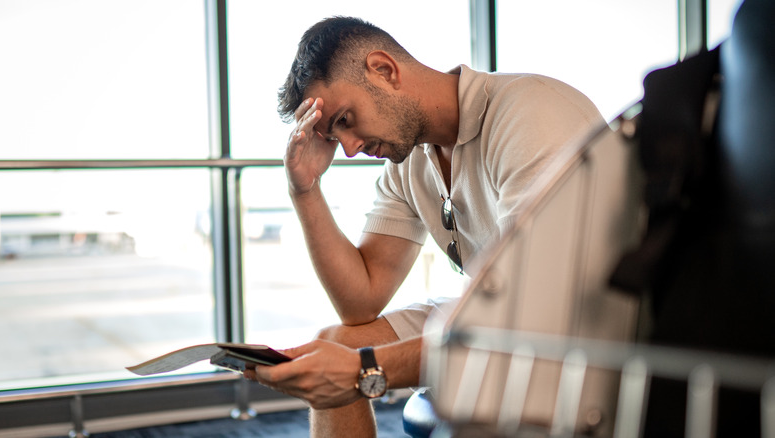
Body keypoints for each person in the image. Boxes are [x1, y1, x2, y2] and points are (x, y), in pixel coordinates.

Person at [243, 16, 604, 437]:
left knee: (351, 358)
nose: (351, 149)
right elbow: (360, 302)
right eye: (335, 136)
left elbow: (531, 316)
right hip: (507, 313)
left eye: (345, 120)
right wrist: (305, 190)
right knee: (337, 339)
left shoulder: (529, 113)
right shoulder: (411, 160)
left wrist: (364, 368)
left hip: (583, 325)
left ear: (384, 70)